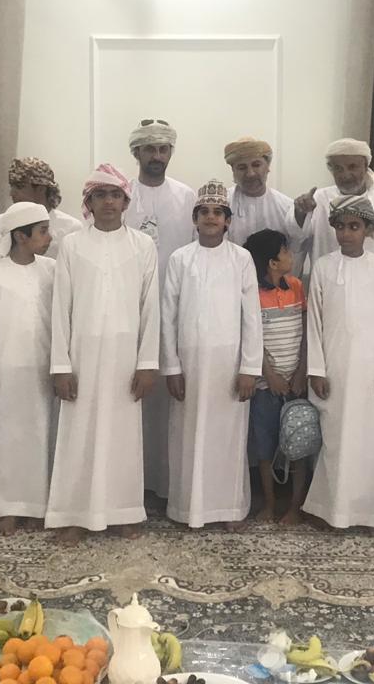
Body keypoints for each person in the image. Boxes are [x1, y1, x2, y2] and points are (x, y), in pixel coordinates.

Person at [46, 163, 160, 546]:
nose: (108, 202)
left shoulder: (143, 246)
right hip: (81, 354)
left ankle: (124, 512)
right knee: (78, 434)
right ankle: (74, 515)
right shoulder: (72, 245)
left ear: (125, 202)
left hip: (126, 357)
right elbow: (60, 307)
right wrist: (61, 365)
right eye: (100, 195)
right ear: (89, 202)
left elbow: (151, 308)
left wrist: (147, 363)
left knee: (123, 436)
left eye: (115, 195)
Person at [162, 181, 262, 529]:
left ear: (228, 220)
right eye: (204, 212)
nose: (210, 217)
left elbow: (252, 317)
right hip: (189, 364)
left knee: (228, 437)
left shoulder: (242, 259)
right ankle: (186, 509)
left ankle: (229, 509)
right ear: (194, 218)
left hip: (229, 365)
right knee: (187, 435)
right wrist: (171, 367)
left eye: (218, 212)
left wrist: (250, 367)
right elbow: (168, 315)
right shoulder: (180, 259)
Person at [302, 195, 374, 531]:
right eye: (341, 226)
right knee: (335, 439)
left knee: (370, 442)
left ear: (368, 230)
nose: (346, 233)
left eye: (354, 226)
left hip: (370, 370)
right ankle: (331, 510)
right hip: (334, 367)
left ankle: (371, 513)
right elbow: (314, 322)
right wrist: (316, 369)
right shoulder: (323, 266)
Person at [0, 201, 56, 535]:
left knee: (40, 436)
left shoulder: (51, 270)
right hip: (5, 371)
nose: (49, 237)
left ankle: (37, 507)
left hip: (42, 369)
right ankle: (6, 507)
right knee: (6, 438)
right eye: (43, 231)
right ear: (20, 236)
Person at [123, 119, 195, 501]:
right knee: (130, 394)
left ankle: (166, 484)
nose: (157, 156)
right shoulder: (120, 194)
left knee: (170, 396)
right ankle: (131, 485)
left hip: (176, 307)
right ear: (136, 153)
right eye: (149, 149)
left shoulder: (186, 196)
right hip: (127, 309)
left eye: (163, 149)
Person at [243, 228, 309, 525]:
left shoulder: (296, 287)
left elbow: (306, 333)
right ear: (272, 262)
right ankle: (269, 504)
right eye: (286, 251)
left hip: (296, 383)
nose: (291, 255)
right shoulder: (253, 294)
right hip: (265, 386)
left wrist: (300, 373)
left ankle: (295, 506)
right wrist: (270, 376)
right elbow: (253, 338)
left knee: (300, 443)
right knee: (265, 448)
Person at [294, 138, 374, 284]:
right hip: (328, 288)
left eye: (352, 167)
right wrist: (301, 213)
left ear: (366, 166)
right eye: (338, 168)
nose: (346, 175)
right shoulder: (318, 200)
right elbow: (296, 238)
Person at [0, 157, 83, 264]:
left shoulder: (71, 228)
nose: (12, 193)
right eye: (12, 186)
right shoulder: (2, 222)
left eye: (19, 187)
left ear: (41, 189)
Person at [223, 137, 303, 249]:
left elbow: (296, 249)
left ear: (267, 167)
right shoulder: (221, 205)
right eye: (242, 167)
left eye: (256, 165)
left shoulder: (286, 207)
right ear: (233, 171)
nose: (250, 174)